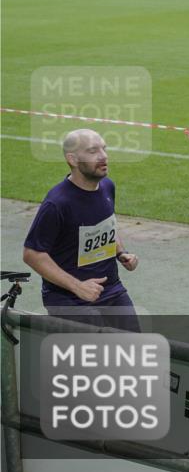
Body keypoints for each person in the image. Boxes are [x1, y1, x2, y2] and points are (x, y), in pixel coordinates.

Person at [23, 128, 141, 332]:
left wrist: (121, 252)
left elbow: (106, 224)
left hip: (111, 289)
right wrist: (78, 286)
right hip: (68, 299)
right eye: (93, 151)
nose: (103, 156)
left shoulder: (107, 186)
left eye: (104, 149)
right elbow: (32, 254)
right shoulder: (57, 203)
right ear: (73, 159)